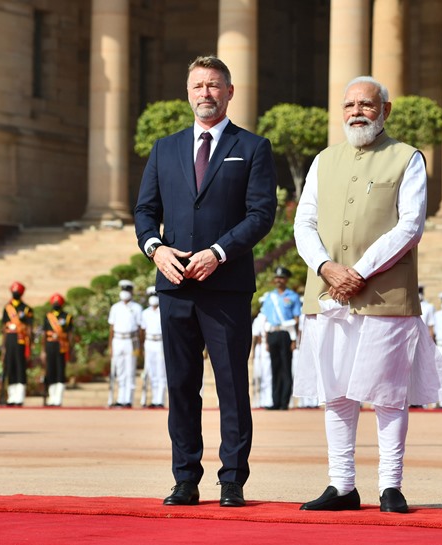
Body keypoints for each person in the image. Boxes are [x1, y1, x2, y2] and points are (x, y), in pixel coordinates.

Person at [293, 75, 442, 513]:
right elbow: (304, 223)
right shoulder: (323, 160)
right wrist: (327, 268)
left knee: (387, 393)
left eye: (366, 104)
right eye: (349, 105)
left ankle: (390, 484)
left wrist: (360, 271)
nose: (356, 112)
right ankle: (341, 484)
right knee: (337, 392)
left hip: (384, 291)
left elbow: (410, 225)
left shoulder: (406, 158)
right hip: (328, 292)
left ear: (385, 110)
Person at [134, 55, 277, 507]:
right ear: (188, 92)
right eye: (198, 86)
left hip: (226, 285)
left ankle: (232, 479)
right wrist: (154, 250)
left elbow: (261, 214)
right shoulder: (165, 148)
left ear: (230, 92)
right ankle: (185, 477)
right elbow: (144, 212)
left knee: (233, 384)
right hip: (175, 286)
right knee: (180, 384)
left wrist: (218, 253)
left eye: (214, 86)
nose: (205, 94)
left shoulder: (253, 148)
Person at [259, 266, 302, 410]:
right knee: (274, 367)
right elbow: (265, 319)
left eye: (282, 278)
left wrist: (295, 340)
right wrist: (265, 339)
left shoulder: (293, 296)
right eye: (277, 278)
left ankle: (284, 402)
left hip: (286, 334)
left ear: (286, 279)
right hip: (272, 333)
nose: (279, 280)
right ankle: (275, 401)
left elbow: (296, 319)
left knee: (285, 367)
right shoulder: (269, 297)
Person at [107, 279, 142, 408]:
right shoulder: (115, 307)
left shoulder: (137, 308)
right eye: (123, 290)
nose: (125, 293)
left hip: (131, 341)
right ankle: (120, 398)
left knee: (130, 370)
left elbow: (139, 328)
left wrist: (140, 346)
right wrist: (110, 346)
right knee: (119, 370)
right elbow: (111, 328)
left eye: (127, 290)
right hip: (118, 340)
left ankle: (128, 399)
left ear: (131, 292)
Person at [1, 281, 34, 406]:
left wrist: (29, 345)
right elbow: (4, 328)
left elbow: (29, 328)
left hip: (21, 341)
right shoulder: (7, 308)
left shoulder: (26, 309)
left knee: (20, 367)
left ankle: (19, 396)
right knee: (10, 367)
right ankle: (11, 396)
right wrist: (3, 347)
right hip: (10, 340)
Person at [42, 293, 73, 407]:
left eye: (58, 302)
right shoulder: (48, 316)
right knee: (50, 371)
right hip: (50, 346)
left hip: (62, 347)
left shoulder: (67, 317)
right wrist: (43, 350)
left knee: (60, 371)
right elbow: (44, 335)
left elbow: (70, 334)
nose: (56, 304)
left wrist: (70, 348)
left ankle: (58, 398)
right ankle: (51, 397)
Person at [141, 286, 167, 408]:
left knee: (161, 371)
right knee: (151, 372)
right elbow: (142, 330)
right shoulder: (145, 313)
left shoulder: (163, 310)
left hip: (160, 341)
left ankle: (160, 400)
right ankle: (154, 398)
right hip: (149, 342)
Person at [250, 295, 274, 409]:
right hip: (260, 348)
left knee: (268, 375)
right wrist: (253, 352)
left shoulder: (271, 316)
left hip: (268, 347)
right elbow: (255, 336)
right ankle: (257, 400)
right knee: (257, 376)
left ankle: (268, 400)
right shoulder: (259, 318)